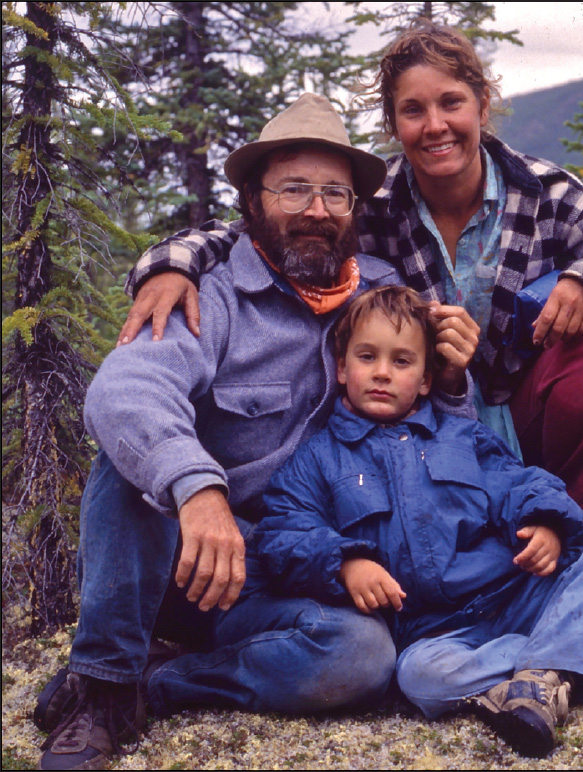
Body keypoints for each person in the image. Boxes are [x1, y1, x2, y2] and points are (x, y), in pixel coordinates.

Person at [35, 93, 478, 772]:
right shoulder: (205, 293)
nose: (316, 210)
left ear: (355, 210)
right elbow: (125, 390)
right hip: (189, 560)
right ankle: (101, 684)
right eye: (293, 189)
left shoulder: (384, 296)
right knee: (127, 464)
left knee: (361, 656)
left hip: (298, 566)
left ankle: (152, 686)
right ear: (252, 200)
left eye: (335, 193)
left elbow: (445, 438)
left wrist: (449, 379)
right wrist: (199, 489)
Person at [118, 22, 583, 542]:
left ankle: (576, 537)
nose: (435, 125)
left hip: (534, 415)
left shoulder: (549, 195)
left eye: (451, 103)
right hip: (429, 426)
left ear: (482, 105)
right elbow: (267, 230)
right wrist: (172, 264)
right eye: (413, 110)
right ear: (394, 125)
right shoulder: (373, 205)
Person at [247, 285, 583, 758]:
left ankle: (544, 669)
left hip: (514, 593)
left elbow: (519, 483)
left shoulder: (463, 435)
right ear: (342, 368)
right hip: (434, 632)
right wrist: (345, 564)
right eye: (367, 357)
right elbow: (285, 529)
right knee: (419, 679)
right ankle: (582, 652)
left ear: (427, 380)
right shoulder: (316, 459)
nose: (382, 373)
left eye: (402, 362)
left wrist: (547, 522)